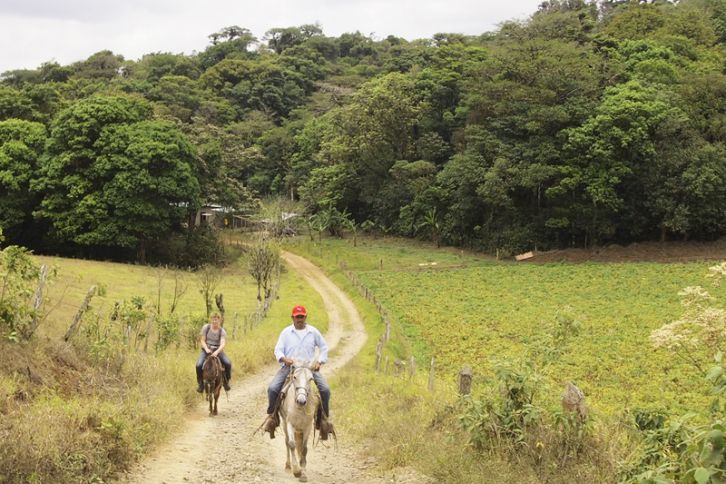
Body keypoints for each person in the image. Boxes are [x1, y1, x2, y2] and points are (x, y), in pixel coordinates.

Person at [263, 305, 333, 439]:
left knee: (325, 390)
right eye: (297, 317)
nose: (299, 319)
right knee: (272, 389)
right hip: (290, 367)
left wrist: (319, 361)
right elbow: (278, 349)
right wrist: (284, 358)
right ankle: (272, 417)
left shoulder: (313, 332)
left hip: (309, 369)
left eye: (302, 316)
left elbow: (324, 347)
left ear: (305, 317)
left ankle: (323, 420)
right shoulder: (286, 332)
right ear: (293, 318)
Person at [195, 312, 232, 392]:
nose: (215, 322)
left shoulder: (222, 331)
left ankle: (226, 382)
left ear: (220, 320)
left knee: (228, 363)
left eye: (216, 320)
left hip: (217, 350)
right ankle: (200, 384)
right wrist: (206, 349)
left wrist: (217, 352)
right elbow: (202, 340)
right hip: (206, 350)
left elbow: (223, 344)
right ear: (211, 319)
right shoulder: (206, 328)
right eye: (213, 320)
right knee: (198, 365)